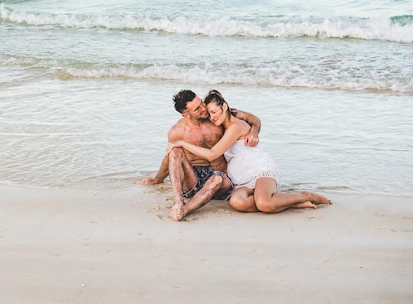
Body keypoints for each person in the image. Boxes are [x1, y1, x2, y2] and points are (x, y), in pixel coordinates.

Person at [167, 89, 331, 213]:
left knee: (264, 204)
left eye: (214, 112)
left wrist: (253, 132)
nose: (211, 116)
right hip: (240, 177)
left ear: (224, 106)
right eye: (208, 113)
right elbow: (255, 120)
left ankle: (306, 196)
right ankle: (290, 202)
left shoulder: (235, 123)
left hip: (258, 169)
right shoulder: (218, 123)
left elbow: (254, 120)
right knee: (237, 203)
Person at [140, 89, 262, 221]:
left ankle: (185, 210)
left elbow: (253, 119)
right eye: (197, 109)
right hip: (193, 179)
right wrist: (157, 179)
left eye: (202, 103)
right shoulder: (177, 132)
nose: (204, 109)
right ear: (186, 115)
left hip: (221, 180)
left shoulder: (216, 117)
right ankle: (179, 201)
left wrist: (254, 132)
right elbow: (170, 158)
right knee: (175, 150)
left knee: (216, 179)